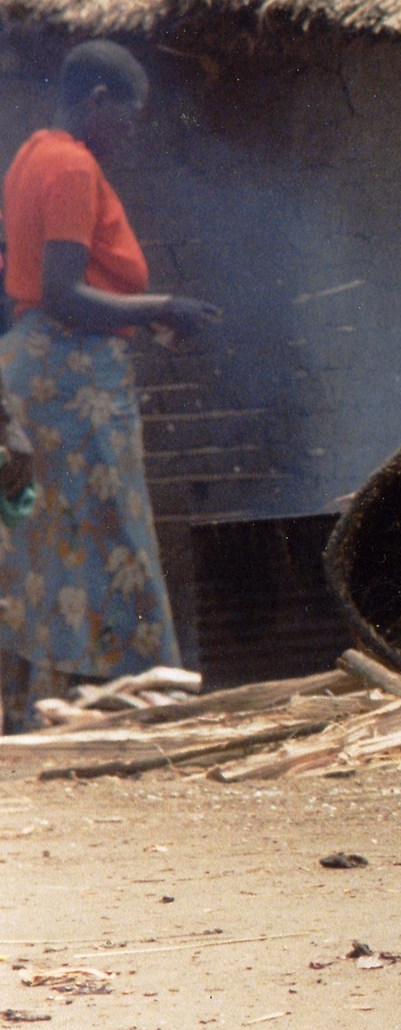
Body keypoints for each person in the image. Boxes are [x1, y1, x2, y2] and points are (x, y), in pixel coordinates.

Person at [0, 40, 220, 734]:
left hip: (41, 371)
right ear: (98, 99)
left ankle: (47, 707)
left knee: (56, 547)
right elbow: (64, 295)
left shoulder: (33, 152)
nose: (133, 131)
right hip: (72, 382)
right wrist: (162, 307)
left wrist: (138, 320)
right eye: (129, 115)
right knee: (116, 539)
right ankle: (144, 707)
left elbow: (48, 288)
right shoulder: (70, 166)